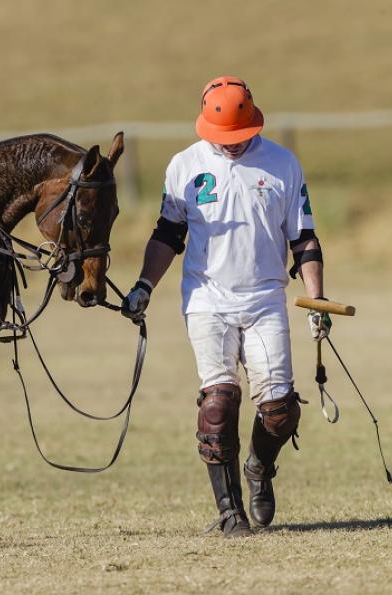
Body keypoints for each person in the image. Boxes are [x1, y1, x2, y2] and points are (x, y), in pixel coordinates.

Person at [122, 76, 331, 538]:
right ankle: (229, 512)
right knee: (218, 403)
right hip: (206, 300)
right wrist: (143, 287)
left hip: (264, 298)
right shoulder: (184, 166)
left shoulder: (282, 164)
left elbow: (304, 238)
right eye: (224, 140)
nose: (232, 147)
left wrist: (316, 299)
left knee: (279, 410)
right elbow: (167, 236)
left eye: (239, 138)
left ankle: (259, 467)